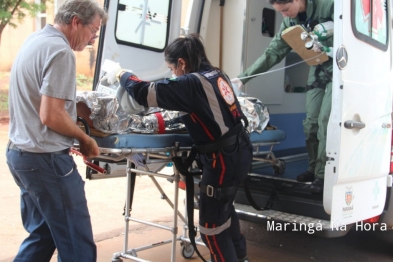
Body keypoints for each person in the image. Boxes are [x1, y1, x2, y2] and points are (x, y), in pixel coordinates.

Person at [107, 33, 253, 262]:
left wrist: (120, 73)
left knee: (211, 228)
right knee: (225, 211)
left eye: (172, 68)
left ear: (182, 63)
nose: (173, 74)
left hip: (223, 160)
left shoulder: (190, 82)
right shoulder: (217, 73)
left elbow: (143, 92)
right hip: (239, 150)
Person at [6, 0, 107, 261]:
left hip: (21, 155)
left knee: (43, 234)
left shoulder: (36, 40)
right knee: (77, 243)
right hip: (45, 161)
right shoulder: (61, 51)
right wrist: (83, 137)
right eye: (93, 31)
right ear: (75, 22)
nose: (93, 39)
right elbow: (51, 115)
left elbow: (42, 103)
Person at [231, 0, 334, 193]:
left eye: (286, 10)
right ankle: (312, 169)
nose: (284, 16)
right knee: (311, 123)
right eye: (280, 12)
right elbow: (273, 52)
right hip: (318, 68)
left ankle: (322, 175)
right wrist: (244, 78)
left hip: (339, 68)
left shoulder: (328, 5)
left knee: (324, 122)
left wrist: (330, 28)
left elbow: (355, 28)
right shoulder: (290, 23)